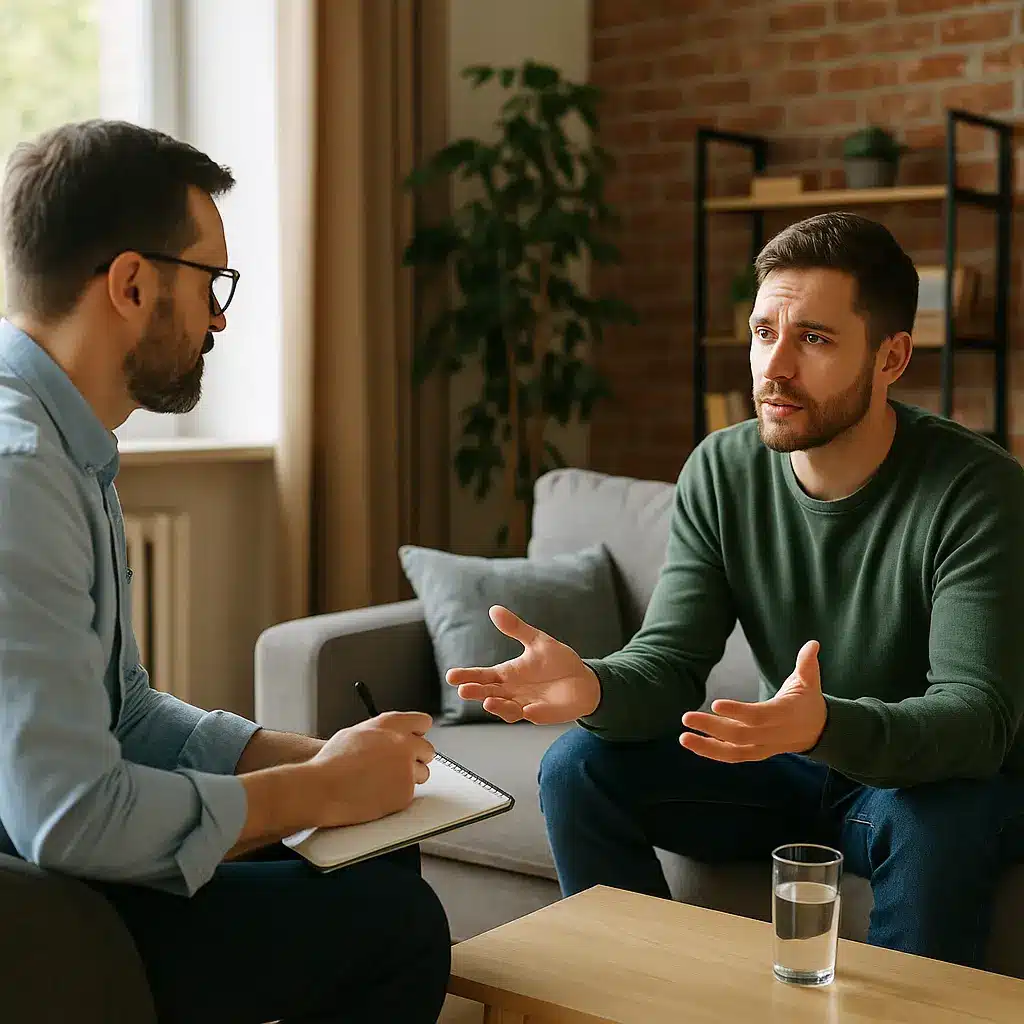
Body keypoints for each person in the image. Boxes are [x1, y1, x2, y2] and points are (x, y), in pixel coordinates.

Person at [447, 211, 1024, 970]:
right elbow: (668, 660)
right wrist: (594, 685)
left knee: (937, 824)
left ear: (892, 358)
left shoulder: (976, 492)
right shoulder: (722, 470)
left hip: (920, 783)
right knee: (579, 766)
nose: (773, 367)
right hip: (786, 763)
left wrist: (823, 725)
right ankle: (639, 1001)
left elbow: (976, 719)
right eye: (762, 333)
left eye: (813, 339)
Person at [0, 120, 449, 1023]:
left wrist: (323, 761)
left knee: (372, 847)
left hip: (51, 857)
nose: (221, 317)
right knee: (399, 921)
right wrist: (321, 789)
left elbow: (122, 711)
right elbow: (71, 818)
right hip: (38, 910)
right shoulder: (19, 475)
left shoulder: (64, 447)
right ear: (132, 283)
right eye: (212, 283)